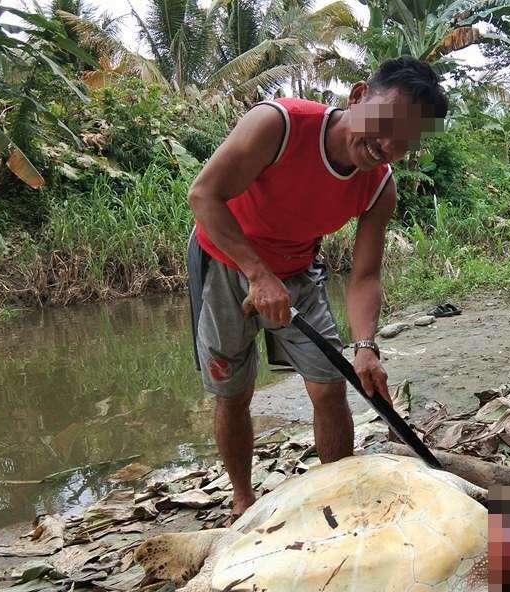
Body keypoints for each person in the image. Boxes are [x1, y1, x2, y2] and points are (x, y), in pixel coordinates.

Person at [186, 57, 448, 519]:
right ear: (359, 96)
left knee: (330, 386)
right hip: (224, 259)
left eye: (403, 141)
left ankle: (340, 499)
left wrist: (366, 346)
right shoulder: (279, 124)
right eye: (384, 124)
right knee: (233, 392)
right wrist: (257, 273)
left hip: (297, 268)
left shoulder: (378, 187)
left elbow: (365, 276)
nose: (386, 145)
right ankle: (243, 497)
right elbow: (204, 195)